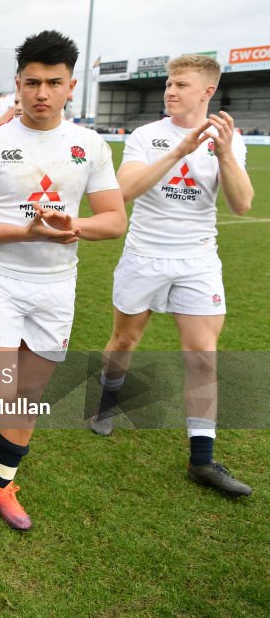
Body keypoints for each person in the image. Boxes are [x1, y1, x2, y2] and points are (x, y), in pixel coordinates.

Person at [0, 30, 126, 530]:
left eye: (54, 82)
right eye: (32, 82)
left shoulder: (89, 146)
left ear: (72, 86)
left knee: (26, 396)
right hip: (0, 281)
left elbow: (113, 220)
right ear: (18, 84)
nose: (42, 93)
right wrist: (23, 231)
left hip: (56, 287)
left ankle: (3, 484)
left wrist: (76, 227)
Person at [90, 54, 254, 497]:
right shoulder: (147, 136)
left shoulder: (228, 138)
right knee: (124, 340)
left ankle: (202, 458)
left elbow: (241, 204)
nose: (170, 91)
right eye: (168, 83)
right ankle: (106, 400)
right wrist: (180, 151)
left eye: (181, 84)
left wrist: (224, 154)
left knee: (202, 354)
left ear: (207, 92)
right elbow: (123, 191)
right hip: (144, 255)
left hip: (198, 259)